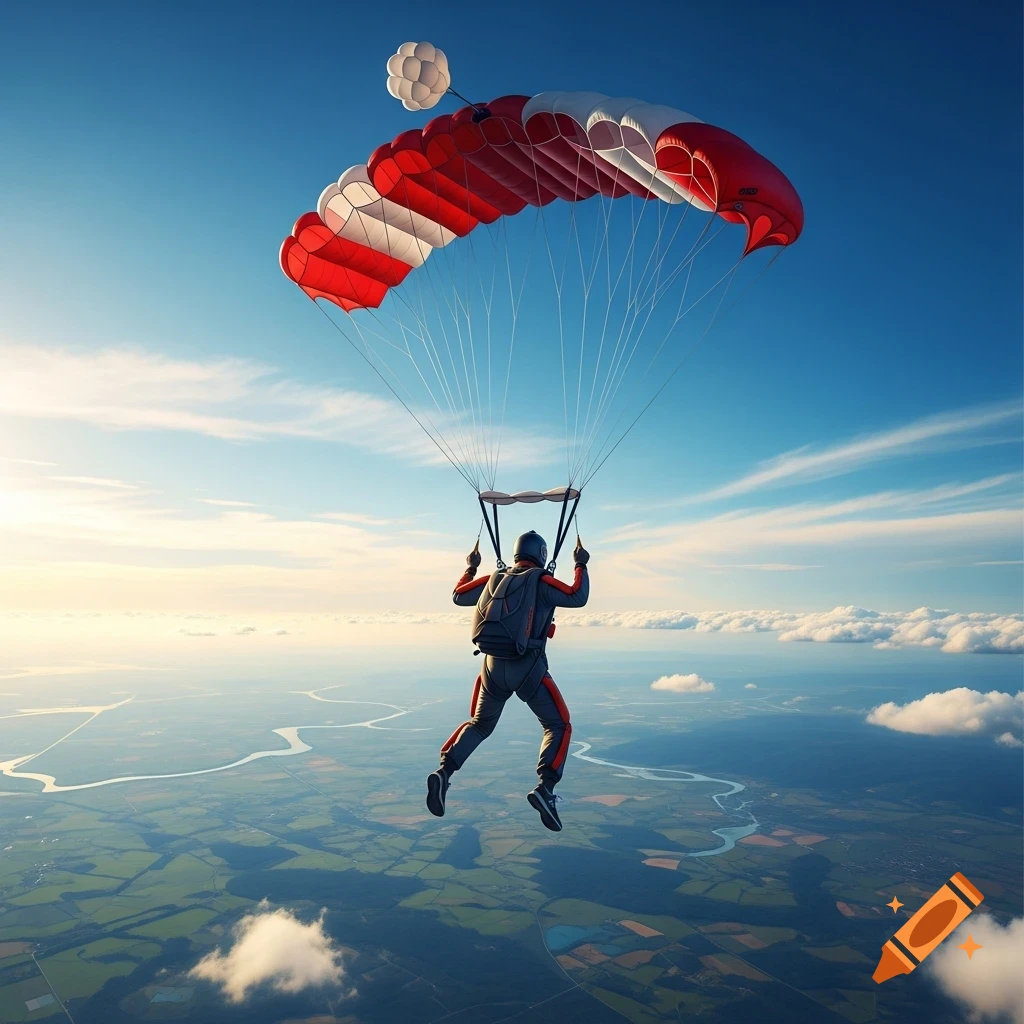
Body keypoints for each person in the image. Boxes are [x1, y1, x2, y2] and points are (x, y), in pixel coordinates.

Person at [426, 530, 590, 831]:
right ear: (540, 555)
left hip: (491, 668)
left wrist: (471, 566)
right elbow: (577, 596)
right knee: (558, 725)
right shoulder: (541, 581)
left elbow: (458, 595)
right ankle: (545, 788)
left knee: (480, 724)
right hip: (527, 667)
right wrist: (581, 563)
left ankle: (444, 772)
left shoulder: (494, 579)